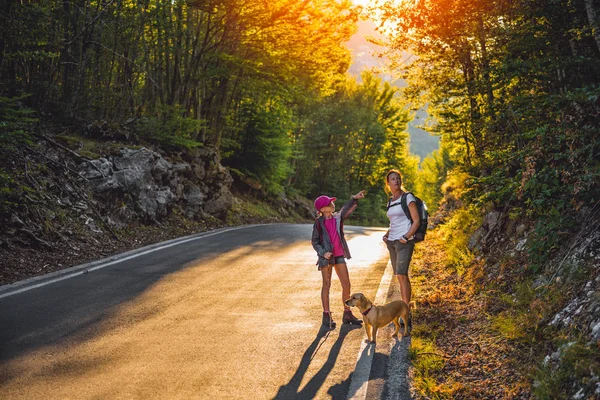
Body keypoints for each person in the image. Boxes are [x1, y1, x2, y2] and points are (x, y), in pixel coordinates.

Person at [311, 191, 366, 329]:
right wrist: (323, 253)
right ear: (322, 209)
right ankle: (326, 315)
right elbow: (315, 241)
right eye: (330, 203)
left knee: (346, 284)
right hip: (326, 257)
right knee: (326, 285)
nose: (332, 204)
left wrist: (354, 199)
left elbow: (346, 210)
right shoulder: (318, 223)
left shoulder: (337, 218)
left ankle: (347, 313)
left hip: (339, 255)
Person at [382, 169, 420, 326]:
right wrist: (387, 234)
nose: (396, 181)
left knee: (402, 275)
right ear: (388, 183)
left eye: (398, 178)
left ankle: (406, 314)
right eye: (392, 179)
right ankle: (405, 310)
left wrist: (406, 236)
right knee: (399, 275)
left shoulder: (408, 197)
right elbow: (393, 222)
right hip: (392, 242)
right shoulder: (390, 201)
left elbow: (416, 220)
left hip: (405, 241)